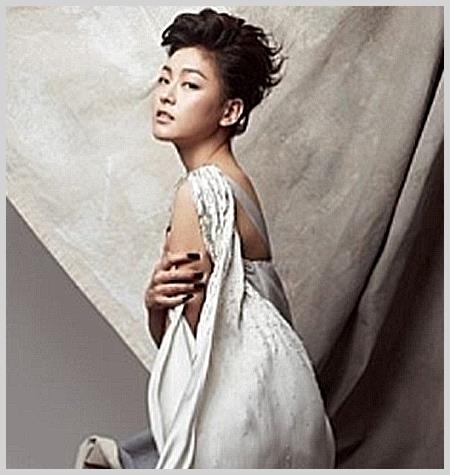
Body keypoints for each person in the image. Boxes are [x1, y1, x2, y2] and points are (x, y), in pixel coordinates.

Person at [75, 8, 335, 469]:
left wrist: (155, 309)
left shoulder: (199, 192)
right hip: (289, 404)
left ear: (230, 111)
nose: (167, 95)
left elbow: (195, 342)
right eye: (165, 79)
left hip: (240, 416)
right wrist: (158, 304)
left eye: (190, 85)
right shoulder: (237, 185)